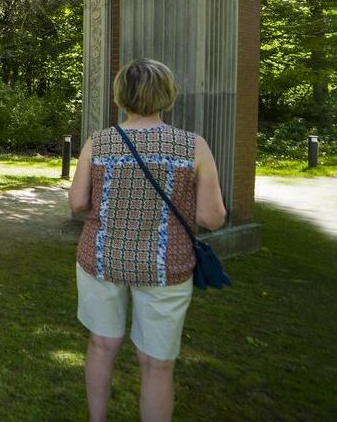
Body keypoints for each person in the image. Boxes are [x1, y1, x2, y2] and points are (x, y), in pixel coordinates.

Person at [68, 58, 227, 422]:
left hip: (102, 258)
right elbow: (211, 218)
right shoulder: (193, 146)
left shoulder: (100, 142)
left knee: (102, 343)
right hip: (165, 264)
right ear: (166, 95)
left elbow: (77, 203)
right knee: (156, 364)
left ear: (120, 96)